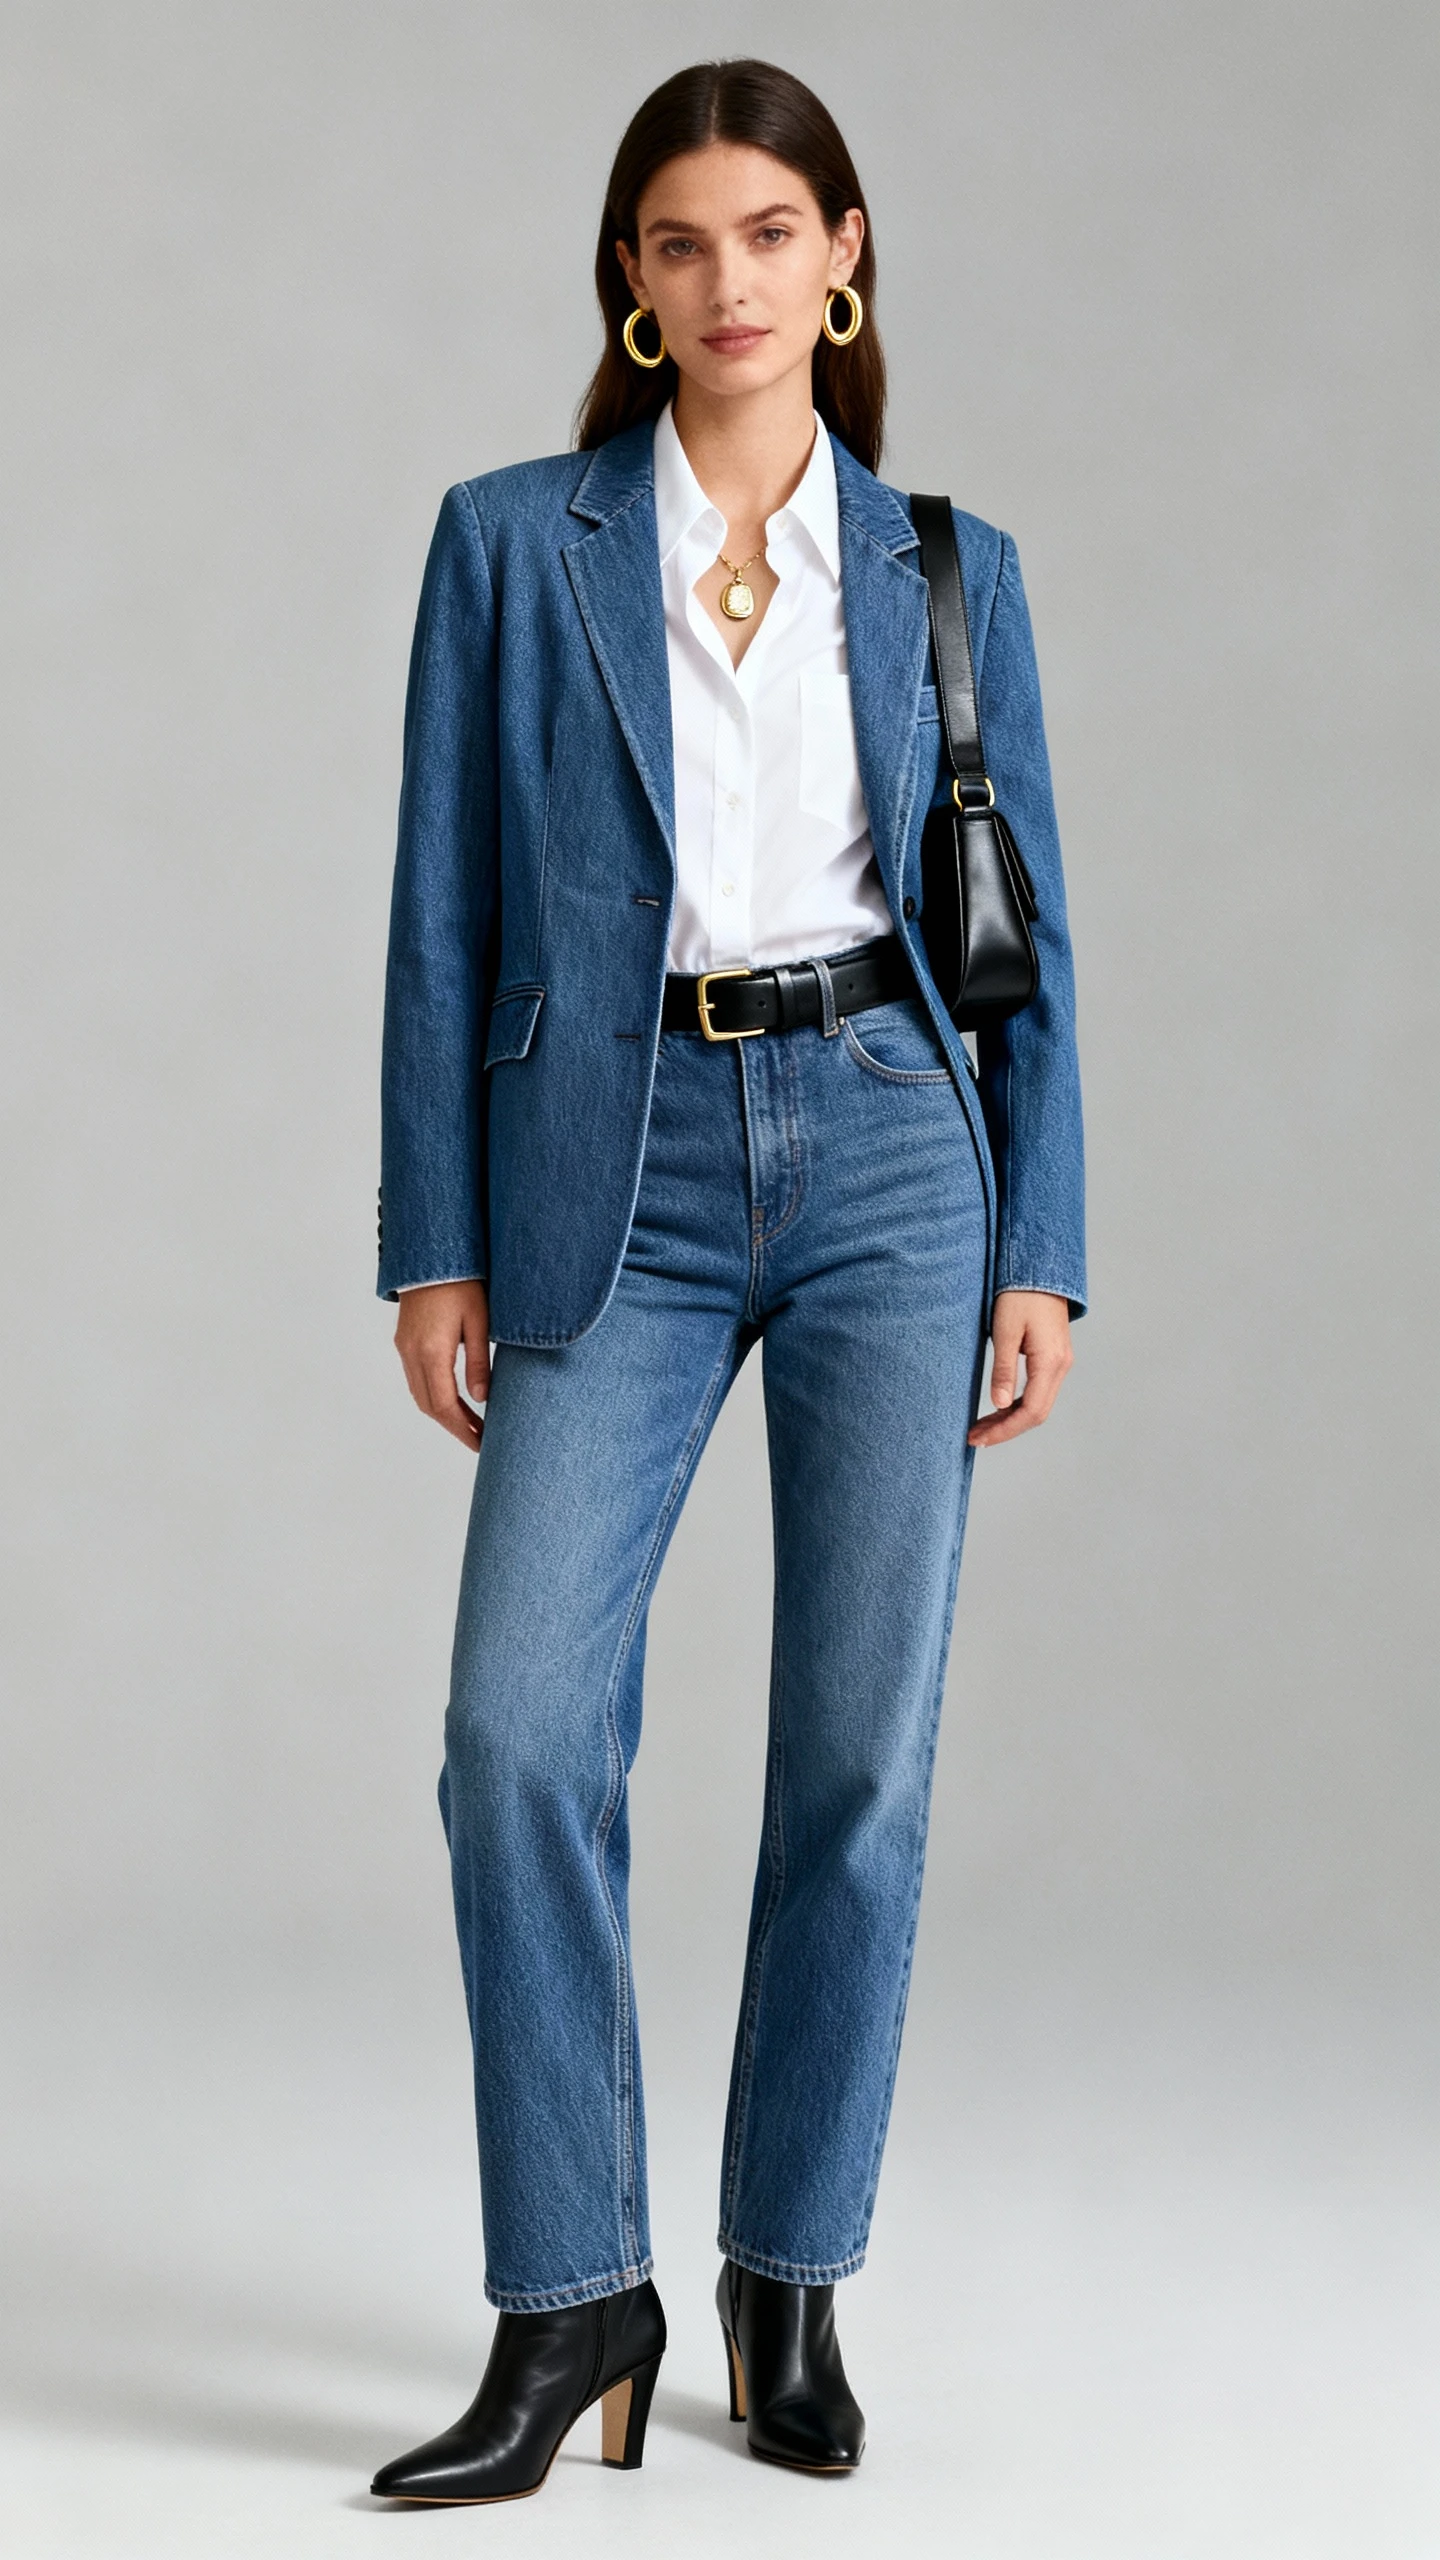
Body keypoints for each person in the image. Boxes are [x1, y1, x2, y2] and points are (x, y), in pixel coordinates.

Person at [369, 56, 1086, 2507]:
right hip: (618, 1161)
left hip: (897, 1149)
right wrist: (433, 1234)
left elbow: (1028, 953)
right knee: (515, 1735)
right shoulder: (511, 544)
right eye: (680, 242)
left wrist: (1047, 1246)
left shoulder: (946, 569)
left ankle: (788, 2265)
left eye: (771, 233)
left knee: (859, 1760)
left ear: (846, 261)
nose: (729, 280)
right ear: (631, 287)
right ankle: (574, 2283)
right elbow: (440, 913)